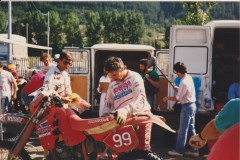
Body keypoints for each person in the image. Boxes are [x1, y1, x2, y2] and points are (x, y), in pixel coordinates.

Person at [102, 56, 152, 151]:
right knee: (123, 152)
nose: (113, 78)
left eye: (115, 75)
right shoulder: (112, 83)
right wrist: (105, 115)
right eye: (110, 76)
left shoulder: (135, 77)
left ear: (122, 68)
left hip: (140, 118)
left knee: (141, 151)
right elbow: (108, 102)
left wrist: (125, 110)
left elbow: (141, 99)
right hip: (121, 120)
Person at [162, 61, 198, 157]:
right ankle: (195, 151)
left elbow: (178, 98)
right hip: (192, 106)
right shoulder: (188, 77)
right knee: (191, 130)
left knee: (182, 130)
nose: (176, 74)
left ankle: (179, 151)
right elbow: (184, 91)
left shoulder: (184, 82)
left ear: (178, 72)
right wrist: (176, 88)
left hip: (186, 107)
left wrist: (167, 98)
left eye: (176, 72)